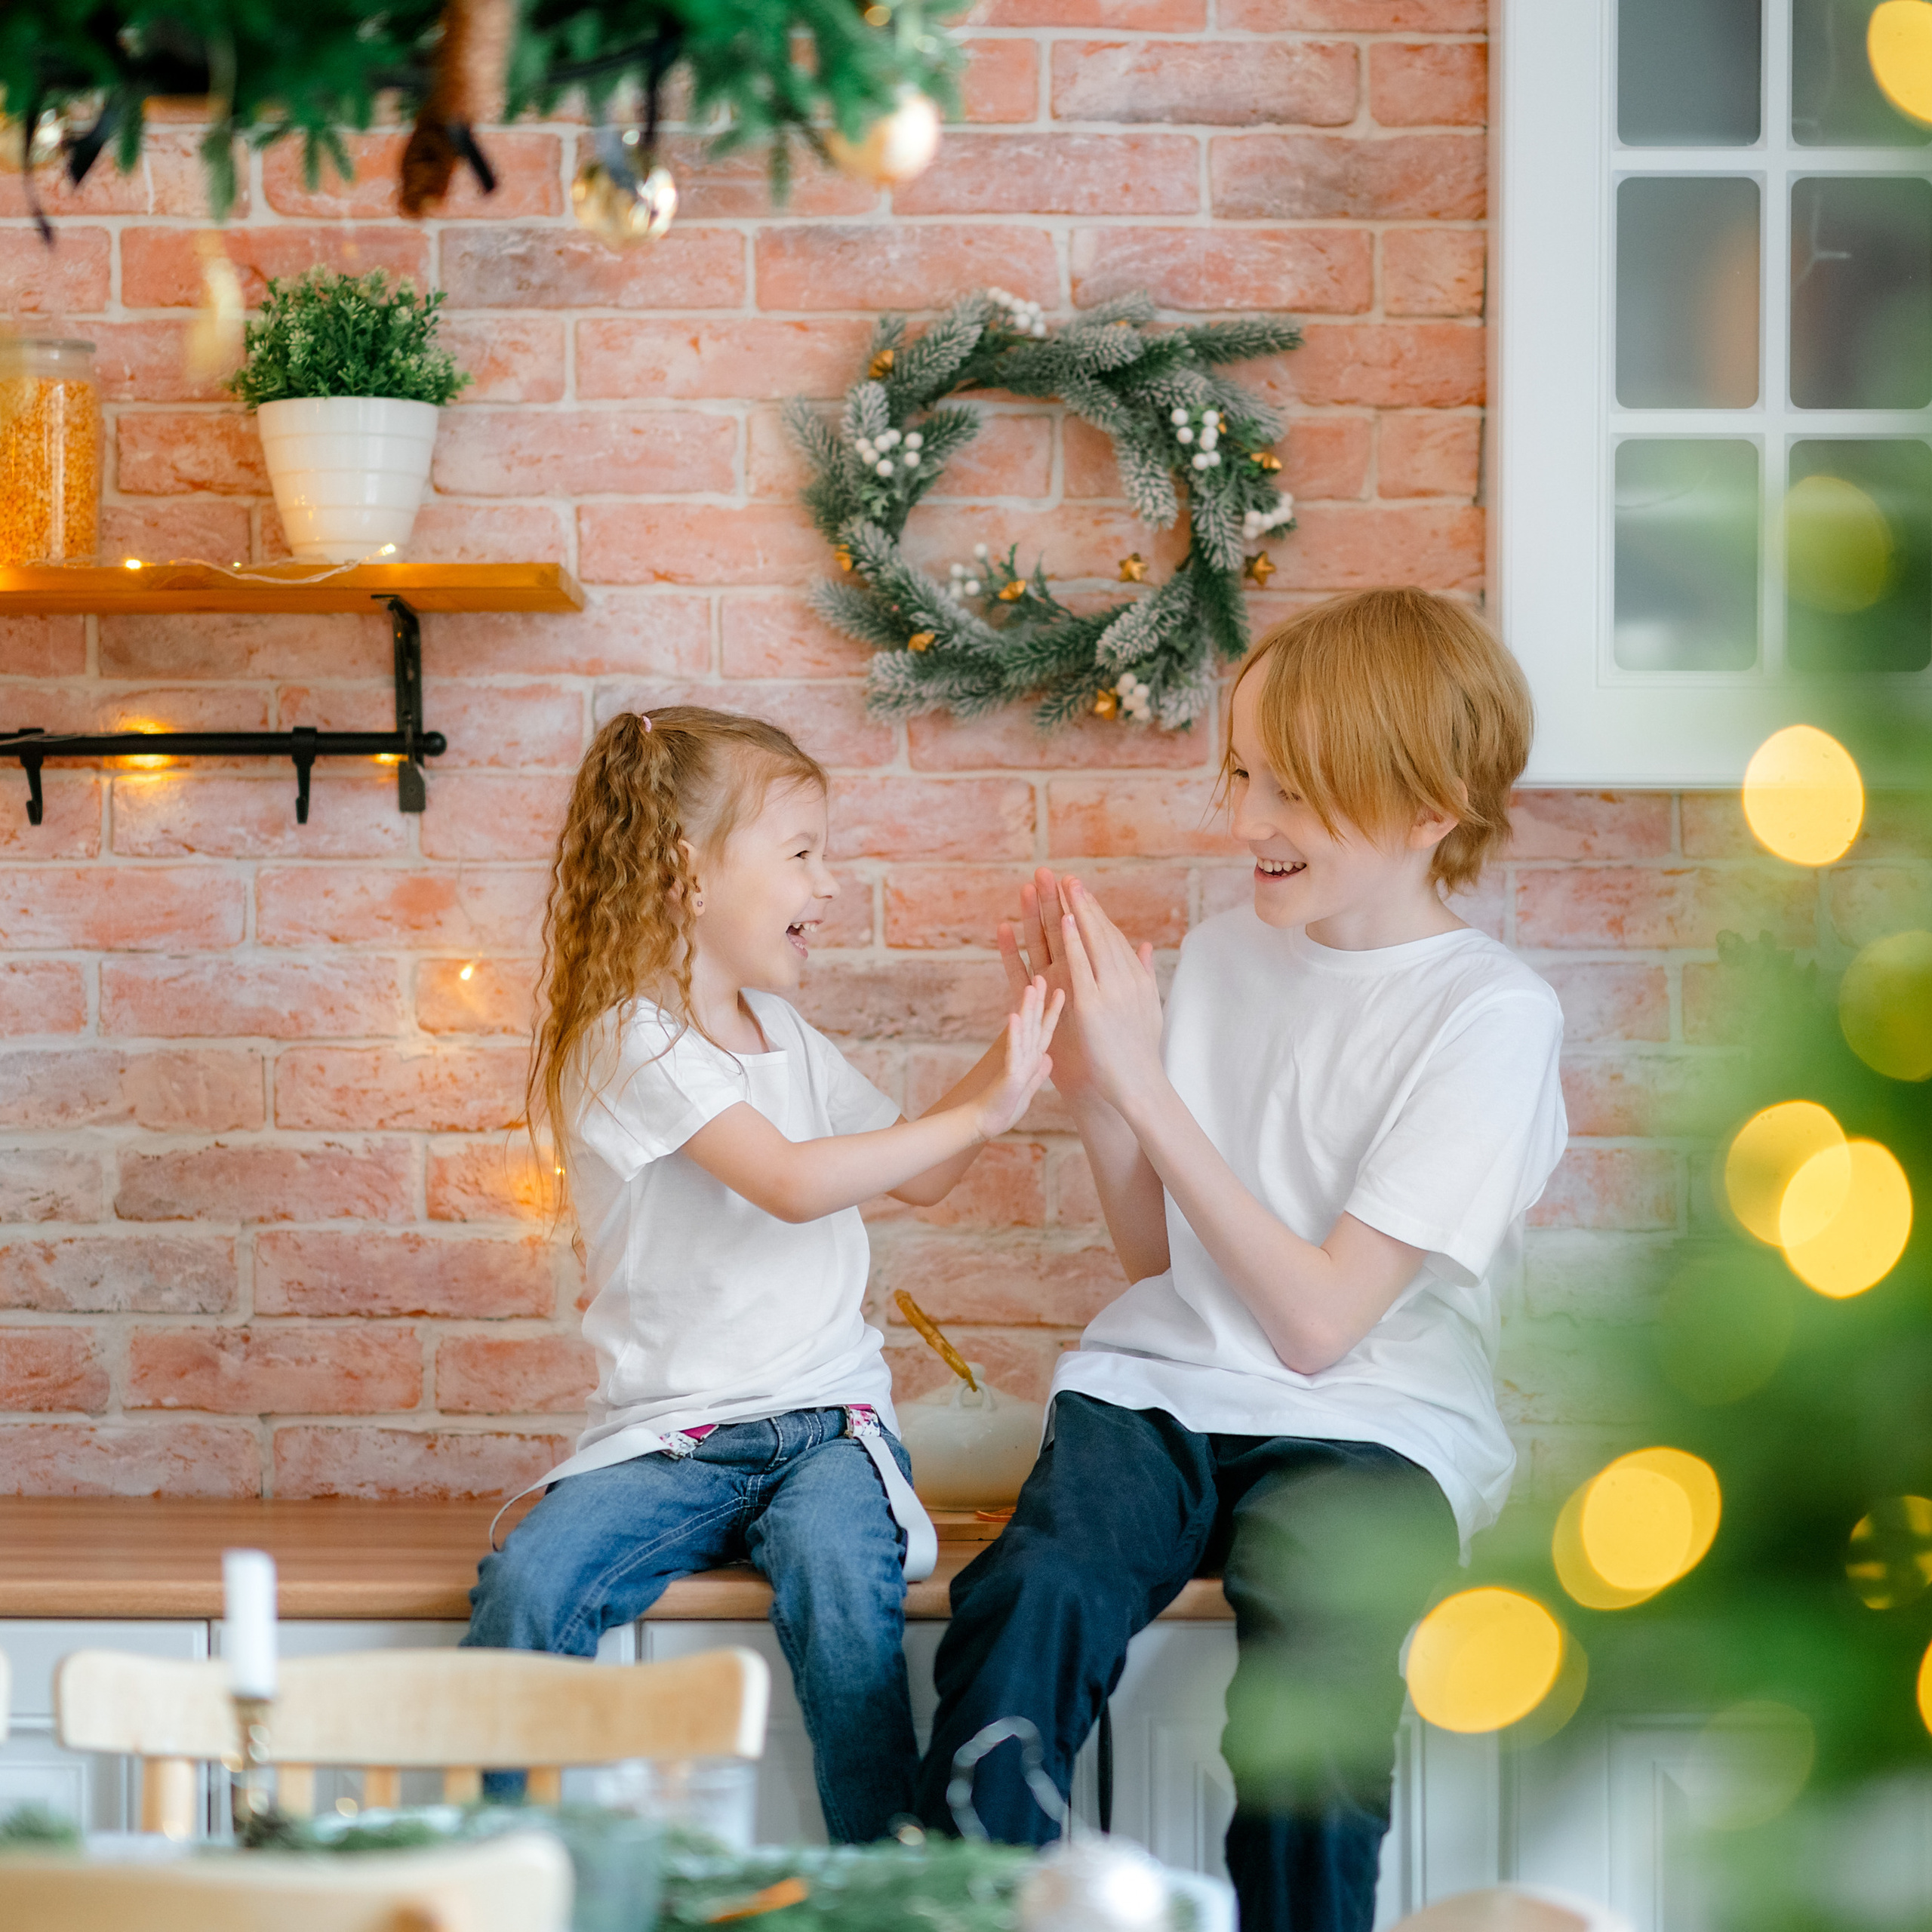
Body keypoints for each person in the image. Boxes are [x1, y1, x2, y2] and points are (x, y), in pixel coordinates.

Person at [915, 589, 1569, 1932]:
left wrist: (1146, 1085)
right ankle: (963, 1911)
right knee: (1031, 1596)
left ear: (1429, 810)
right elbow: (1163, 1260)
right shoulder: (1224, 955)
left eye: (1291, 791)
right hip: (1160, 1395)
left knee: (1315, 1670)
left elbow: (1319, 1326)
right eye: (1240, 773)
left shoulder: (1490, 1016)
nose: (1242, 821)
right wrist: (1099, 1087)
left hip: (1375, 1425)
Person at [466, 706, 1061, 1843]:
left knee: (842, 1582)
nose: (827, 885)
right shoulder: (629, 1040)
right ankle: (493, 1867)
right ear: (688, 872)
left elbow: (925, 1173)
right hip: (674, 1443)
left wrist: (1026, 1036)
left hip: (827, 1426)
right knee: (533, 1584)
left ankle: (888, 1881)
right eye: (801, 853)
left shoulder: (788, 1034)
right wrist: (988, 1109)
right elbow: (789, 1180)